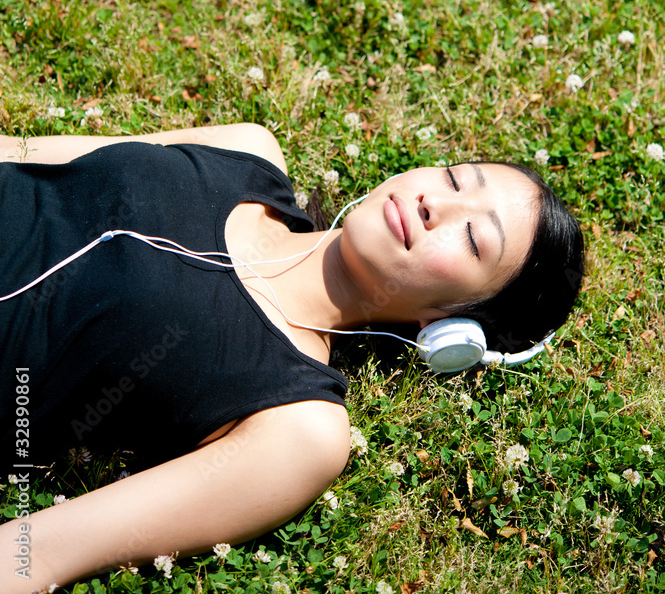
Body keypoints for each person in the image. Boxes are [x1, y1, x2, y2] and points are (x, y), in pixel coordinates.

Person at [0, 123, 584, 592]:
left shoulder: (298, 424)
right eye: (456, 178)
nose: (437, 204)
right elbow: (19, 151)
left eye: (474, 239)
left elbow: (35, 552)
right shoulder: (246, 152)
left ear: (452, 328)